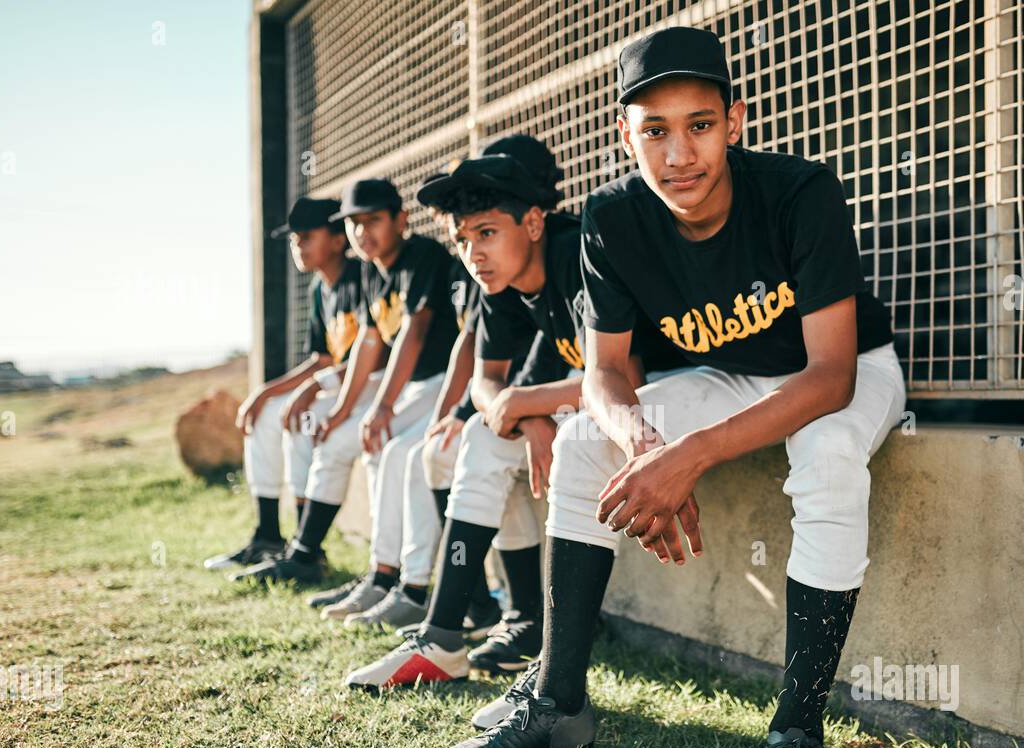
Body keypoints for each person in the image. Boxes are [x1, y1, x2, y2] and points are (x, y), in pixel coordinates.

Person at [430, 27, 905, 748]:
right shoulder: (613, 220)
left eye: (699, 125)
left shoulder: (800, 192)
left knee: (827, 459)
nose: (678, 153)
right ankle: (558, 700)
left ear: (736, 121)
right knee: (584, 441)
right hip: (729, 374)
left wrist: (689, 455)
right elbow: (604, 375)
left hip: (848, 367)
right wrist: (646, 447)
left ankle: (795, 736)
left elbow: (829, 379)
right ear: (627, 135)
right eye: (655, 129)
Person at [343, 151, 682, 690]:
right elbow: (486, 381)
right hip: (597, 407)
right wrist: (526, 418)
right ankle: (449, 635)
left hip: (667, 400)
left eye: (486, 233)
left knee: (488, 434)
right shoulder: (498, 282)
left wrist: (523, 406)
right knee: (479, 438)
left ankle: (496, 626)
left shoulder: (576, 251)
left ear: (532, 222)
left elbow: (626, 376)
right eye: (462, 240)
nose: (473, 253)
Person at [235, 178, 457, 586]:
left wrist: (380, 406)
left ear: (401, 220)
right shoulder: (372, 271)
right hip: (407, 388)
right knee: (334, 438)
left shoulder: (420, 254)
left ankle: (404, 579)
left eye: (372, 220)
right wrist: (340, 412)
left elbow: (414, 331)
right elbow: (367, 344)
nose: (362, 232)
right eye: (355, 223)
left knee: (391, 453)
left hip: (439, 383)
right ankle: (325, 557)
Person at [205, 197, 361, 571]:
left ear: (339, 239)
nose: (298, 245)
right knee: (266, 414)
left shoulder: (360, 278)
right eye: (294, 239)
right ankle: (268, 536)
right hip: (332, 384)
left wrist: (306, 390)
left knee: (300, 418)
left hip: (360, 388)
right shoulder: (319, 290)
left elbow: (371, 355)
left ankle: (308, 549)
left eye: (307, 236)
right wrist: (264, 392)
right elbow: (321, 359)